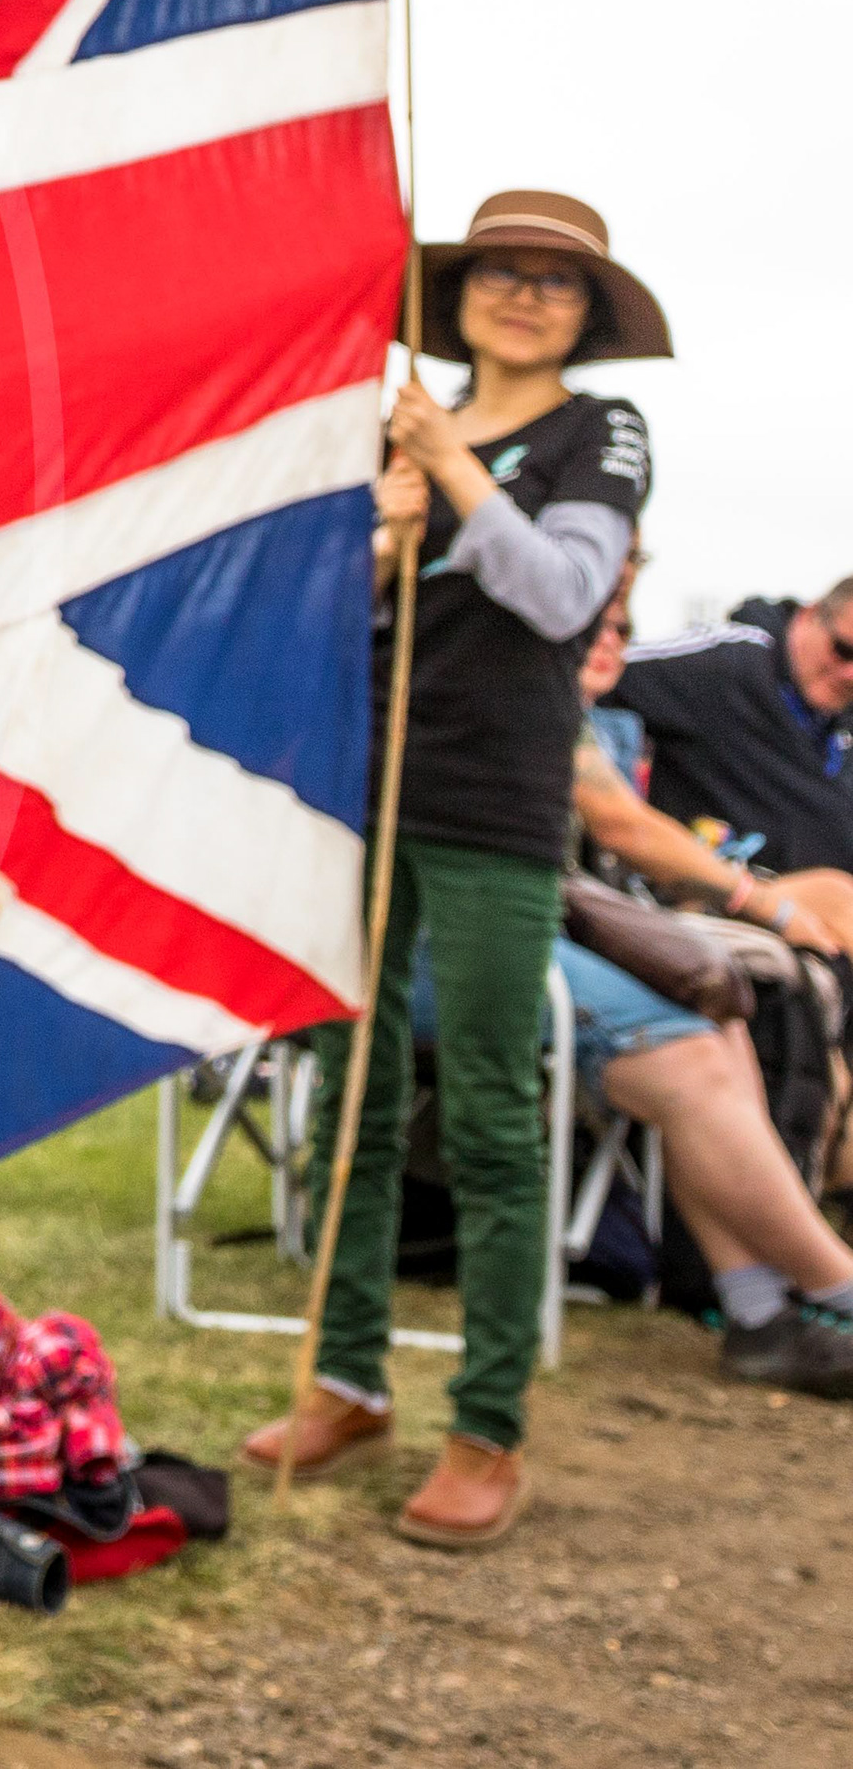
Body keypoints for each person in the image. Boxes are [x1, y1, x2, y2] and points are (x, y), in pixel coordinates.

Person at [241, 191, 665, 1549]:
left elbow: (556, 596)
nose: (525, 296)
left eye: (555, 282)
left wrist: (457, 469)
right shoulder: (402, 427)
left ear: (587, 315)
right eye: (502, 272)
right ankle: (349, 1378)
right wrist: (382, 525)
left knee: (484, 1104)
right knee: (345, 1091)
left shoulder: (602, 431)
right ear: (462, 290)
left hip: (492, 802)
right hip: (358, 791)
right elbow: (320, 605)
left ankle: (487, 1427)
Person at [537, 595, 853, 1392]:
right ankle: (830, 1282)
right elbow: (621, 826)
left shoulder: (596, 719)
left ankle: (757, 1312)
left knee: (719, 1016)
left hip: (571, 933)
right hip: (487, 945)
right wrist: (765, 902)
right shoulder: (534, 699)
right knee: (697, 1049)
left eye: (622, 626)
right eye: (592, 622)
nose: (610, 641)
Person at [610, 580, 853, 880]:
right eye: (843, 650)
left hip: (824, 915)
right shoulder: (727, 665)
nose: (849, 674)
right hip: (706, 904)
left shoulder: (841, 720)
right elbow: (604, 668)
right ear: (810, 615)